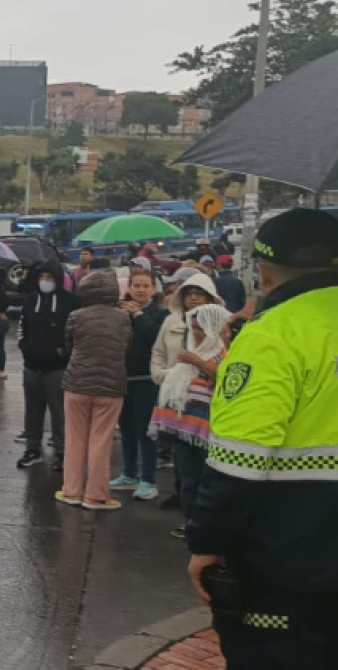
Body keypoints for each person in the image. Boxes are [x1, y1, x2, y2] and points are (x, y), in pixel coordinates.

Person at [185, 209, 338, 669]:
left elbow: (237, 465)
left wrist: (205, 545)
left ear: (264, 271)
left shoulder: (273, 336)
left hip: (290, 563)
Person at [149, 304, 230, 537]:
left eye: (202, 329)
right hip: (184, 428)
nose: (197, 334)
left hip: (212, 432)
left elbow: (224, 376)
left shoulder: (226, 352)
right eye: (193, 329)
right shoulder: (193, 349)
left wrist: (196, 362)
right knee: (188, 479)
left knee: (208, 482)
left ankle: (208, 527)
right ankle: (190, 523)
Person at [57, 270, 131, 511]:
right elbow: (126, 346)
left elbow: (69, 345)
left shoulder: (75, 316)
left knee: (74, 438)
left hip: (76, 384)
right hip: (111, 387)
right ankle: (96, 495)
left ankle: (71, 490)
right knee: (101, 440)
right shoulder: (122, 318)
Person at [150, 271, 223, 491]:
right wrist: (167, 376)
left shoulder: (222, 326)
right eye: (189, 293)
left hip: (205, 407)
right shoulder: (171, 321)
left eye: (200, 294)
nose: (193, 298)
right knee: (182, 460)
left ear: (210, 297)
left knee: (201, 464)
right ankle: (179, 494)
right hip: (175, 398)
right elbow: (158, 352)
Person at [109, 269, 169, 501]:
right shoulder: (121, 312)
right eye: (136, 286)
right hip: (124, 379)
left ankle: (148, 480)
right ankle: (129, 474)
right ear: (129, 288)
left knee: (147, 431)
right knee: (127, 430)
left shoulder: (161, 314)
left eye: (146, 286)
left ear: (154, 289)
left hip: (147, 380)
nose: (141, 290)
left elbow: (155, 339)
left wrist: (139, 316)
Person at [16, 259, 79, 471]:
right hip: (31, 366)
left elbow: (74, 332)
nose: (45, 281)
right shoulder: (31, 299)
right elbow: (22, 326)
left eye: (49, 278)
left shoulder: (69, 301)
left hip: (57, 368)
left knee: (59, 412)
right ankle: (33, 449)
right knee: (32, 411)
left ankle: (62, 451)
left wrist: (63, 351)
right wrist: (25, 346)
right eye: (42, 278)